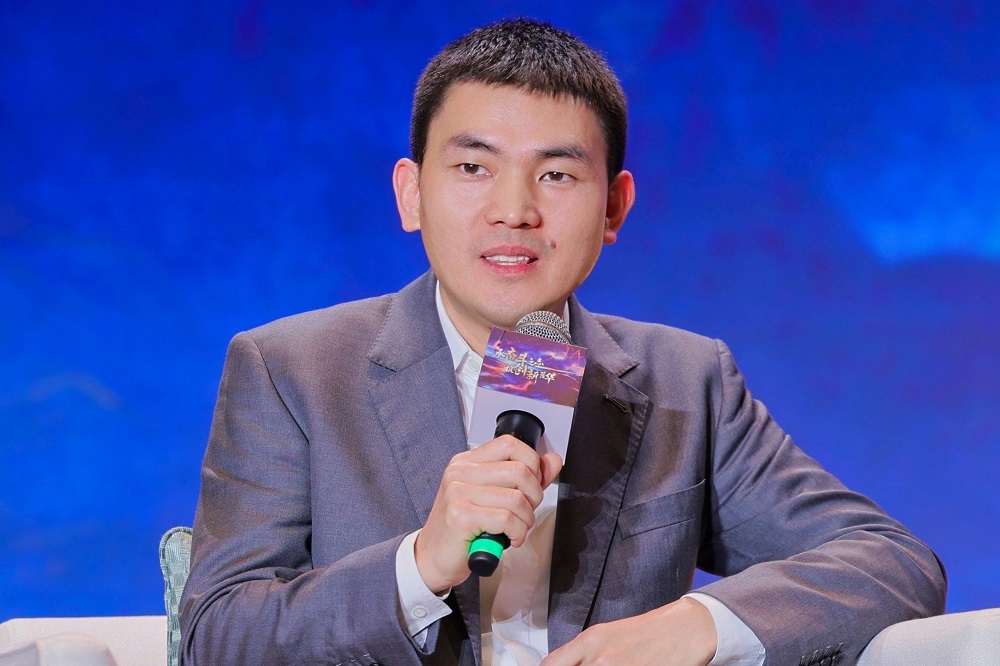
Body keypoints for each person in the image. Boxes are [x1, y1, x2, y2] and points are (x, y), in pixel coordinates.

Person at [179, 18, 946, 666]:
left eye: (556, 175)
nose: (513, 210)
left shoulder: (687, 382)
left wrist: (693, 626)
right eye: (473, 167)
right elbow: (218, 635)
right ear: (411, 194)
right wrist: (421, 564)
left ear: (614, 207)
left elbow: (890, 561)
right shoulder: (291, 369)